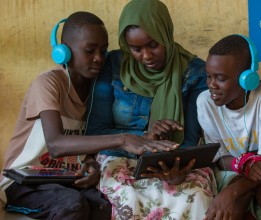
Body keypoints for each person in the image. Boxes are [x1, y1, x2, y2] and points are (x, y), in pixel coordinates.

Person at [0, 11, 178, 220]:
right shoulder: (49, 83)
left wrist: (91, 163)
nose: (99, 59)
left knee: (106, 206)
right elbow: (56, 144)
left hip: (65, 179)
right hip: (24, 182)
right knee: (72, 206)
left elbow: (89, 141)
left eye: (103, 51)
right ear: (64, 51)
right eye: (90, 51)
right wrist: (123, 139)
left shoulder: (97, 91)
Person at [86, 0, 216, 219]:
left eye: (153, 45)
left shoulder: (194, 72)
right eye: (136, 49)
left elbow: (190, 140)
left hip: (169, 162)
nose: (146, 56)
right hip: (118, 157)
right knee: (128, 198)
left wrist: (172, 164)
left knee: (195, 197)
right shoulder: (113, 65)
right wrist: (144, 138)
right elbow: (95, 131)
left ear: (166, 34)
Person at [197, 34, 261, 220]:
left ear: (247, 79)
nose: (211, 85)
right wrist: (244, 165)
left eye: (220, 78)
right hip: (228, 170)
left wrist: (231, 192)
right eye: (208, 76)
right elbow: (219, 157)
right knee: (238, 188)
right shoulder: (205, 102)